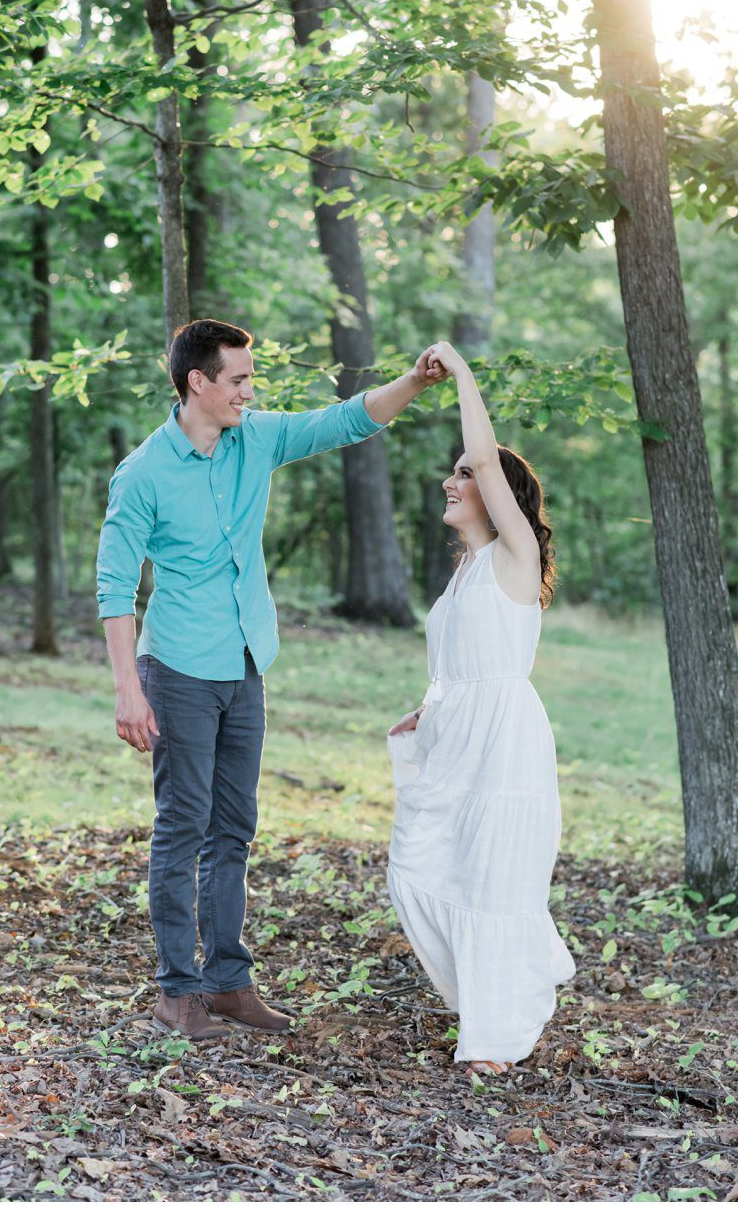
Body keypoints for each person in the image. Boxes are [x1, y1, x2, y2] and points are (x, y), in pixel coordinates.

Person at [97, 319, 448, 1041]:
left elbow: (344, 421)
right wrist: (127, 686)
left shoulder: (253, 438)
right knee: (182, 827)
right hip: (179, 669)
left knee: (234, 830)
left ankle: (228, 982)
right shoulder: (143, 472)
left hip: (245, 664)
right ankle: (177, 994)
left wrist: (413, 381)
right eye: (238, 380)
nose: (249, 391)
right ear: (198, 381)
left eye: (249, 380)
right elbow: (113, 585)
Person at [386, 340, 574, 1077]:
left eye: (464, 475)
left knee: (494, 879)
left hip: (504, 745)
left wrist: (461, 374)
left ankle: (490, 1040)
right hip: (456, 737)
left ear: (500, 497)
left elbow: (487, 459)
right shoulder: (464, 572)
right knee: (421, 867)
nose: (452, 479)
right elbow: (457, 664)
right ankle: (501, 996)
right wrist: (425, 711)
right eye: (456, 472)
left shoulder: (512, 553)